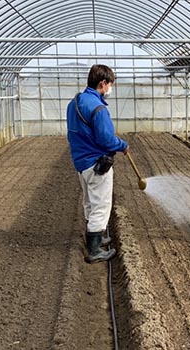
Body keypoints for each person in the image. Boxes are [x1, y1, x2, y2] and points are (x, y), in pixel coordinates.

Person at [66, 64, 128, 264]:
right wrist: (123, 145)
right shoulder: (98, 108)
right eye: (110, 85)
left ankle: (96, 237)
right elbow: (105, 140)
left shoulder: (74, 103)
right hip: (96, 164)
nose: (110, 89)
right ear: (103, 83)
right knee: (101, 205)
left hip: (81, 163)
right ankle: (94, 251)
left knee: (89, 202)